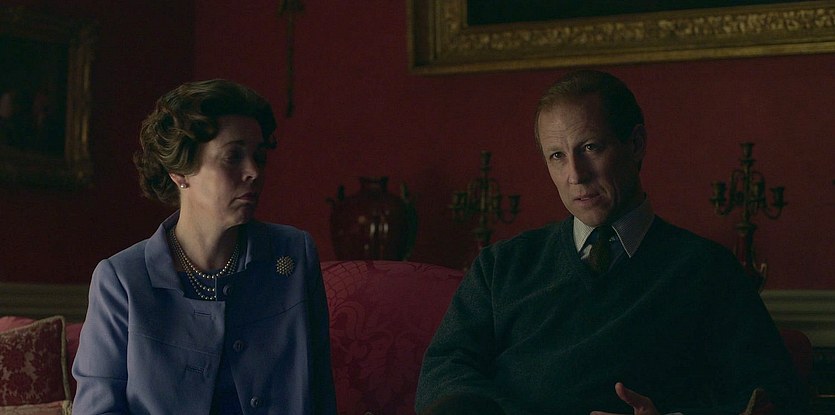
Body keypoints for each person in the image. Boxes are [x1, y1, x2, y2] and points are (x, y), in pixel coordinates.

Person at [415, 70, 805, 415]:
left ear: (635, 144)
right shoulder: (502, 265)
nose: (575, 175)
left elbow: (774, 396)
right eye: (557, 156)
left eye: (590, 147)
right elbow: (443, 374)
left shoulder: (706, 270)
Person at [72, 79, 337, 414]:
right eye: (233, 157)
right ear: (180, 172)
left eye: (259, 156)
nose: (254, 172)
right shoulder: (122, 279)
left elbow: (320, 394)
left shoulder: (293, 255)